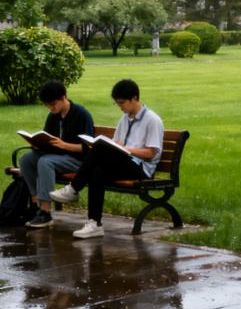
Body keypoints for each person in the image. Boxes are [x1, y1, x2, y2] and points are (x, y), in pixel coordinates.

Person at [50, 79, 164, 239]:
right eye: (117, 103)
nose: (120, 107)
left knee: (98, 150)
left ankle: (74, 188)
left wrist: (126, 150)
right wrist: (116, 146)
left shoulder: (152, 120)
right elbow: (117, 142)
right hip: (123, 163)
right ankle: (94, 223)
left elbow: (152, 153)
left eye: (122, 103)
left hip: (141, 169)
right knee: (97, 171)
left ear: (135, 98)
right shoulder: (125, 119)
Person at [19, 80, 94, 229]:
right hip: (57, 157)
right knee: (26, 159)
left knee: (45, 162)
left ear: (64, 97)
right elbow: (49, 140)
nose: (50, 108)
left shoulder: (81, 114)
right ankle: (36, 202)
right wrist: (37, 144)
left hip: (77, 160)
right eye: (47, 105)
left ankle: (45, 211)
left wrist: (64, 145)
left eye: (53, 104)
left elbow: (88, 149)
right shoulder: (53, 115)